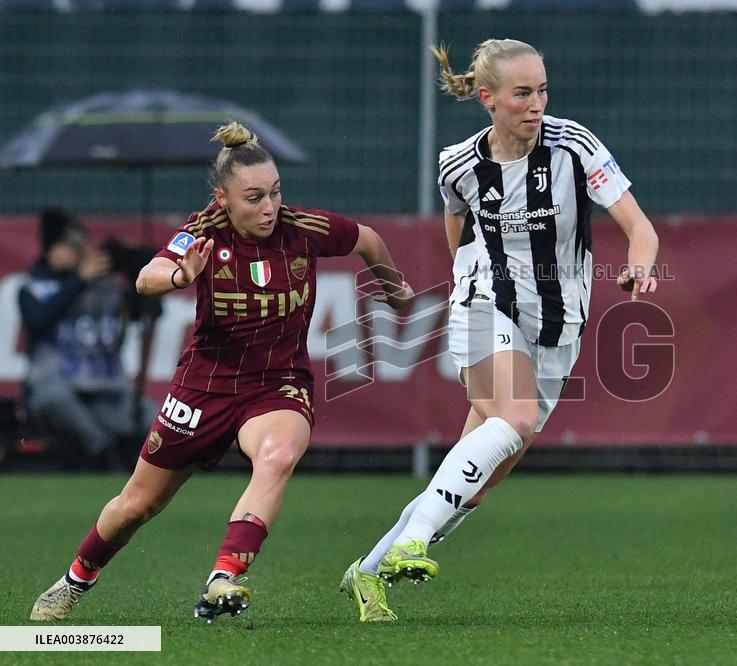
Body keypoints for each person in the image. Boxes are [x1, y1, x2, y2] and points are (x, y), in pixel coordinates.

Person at [30, 121, 414, 623]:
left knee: (276, 457)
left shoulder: (303, 230)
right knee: (136, 505)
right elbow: (147, 278)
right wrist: (178, 275)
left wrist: (394, 288)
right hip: (204, 385)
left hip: (279, 383)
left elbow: (367, 238)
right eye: (253, 197)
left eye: (275, 193)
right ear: (223, 199)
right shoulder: (204, 231)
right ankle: (75, 580)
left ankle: (224, 577)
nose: (269, 207)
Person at [340, 39, 659, 622]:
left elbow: (640, 228)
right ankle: (412, 546)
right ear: (487, 99)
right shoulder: (459, 163)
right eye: (522, 94)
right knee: (513, 418)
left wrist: (639, 263)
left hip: (559, 327)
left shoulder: (575, 146)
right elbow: (456, 229)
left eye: (542, 91)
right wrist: (471, 287)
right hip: (486, 301)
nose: (535, 104)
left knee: (476, 482)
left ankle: (366, 572)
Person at [18, 209, 139, 470]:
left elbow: (142, 310)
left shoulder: (108, 287)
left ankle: (115, 452)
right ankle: (103, 454)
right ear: (53, 250)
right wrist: (80, 280)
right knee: (53, 401)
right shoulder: (33, 288)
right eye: (70, 246)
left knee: (149, 418)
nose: (80, 251)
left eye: (82, 244)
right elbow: (39, 319)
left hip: (106, 391)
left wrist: (135, 264)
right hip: (58, 386)